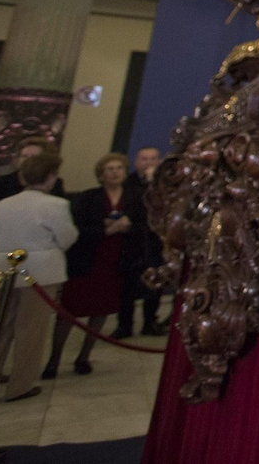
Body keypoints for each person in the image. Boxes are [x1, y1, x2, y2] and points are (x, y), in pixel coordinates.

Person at [0, 151, 76, 402]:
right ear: (51, 178)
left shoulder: (3, 204)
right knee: (31, 331)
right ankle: (20, 385)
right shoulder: (56, 205)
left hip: (1, 268)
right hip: (40, 272)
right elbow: (67, 238)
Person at [43, 153, 144, 377]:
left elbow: (144, 227)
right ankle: (54, 360)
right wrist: (106, 229)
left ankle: (84, 356)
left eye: (119, 168)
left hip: (116, 261)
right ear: (101, 174)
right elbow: (77, 230)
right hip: (88, 261)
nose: (115, 172)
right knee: (69, 311)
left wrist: (127, 227)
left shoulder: (135, 196)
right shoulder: (89, 197)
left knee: (100, 310)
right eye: (110, 169)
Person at [0, 137, 67, 273]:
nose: (28, 161)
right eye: (24, 156)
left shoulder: (55, 184)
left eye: (35, 157)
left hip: (35, 254)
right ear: (16, 159)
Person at [115, 146, 166, 339]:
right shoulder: (128, 183)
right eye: (145, 159)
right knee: (127, 285)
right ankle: (124, 325)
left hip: (155, 240)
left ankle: (150, 322)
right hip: (132, 240)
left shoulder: (165, 183)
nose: (149, 163)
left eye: (153, 159)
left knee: (155, 283)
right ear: (136, 162)